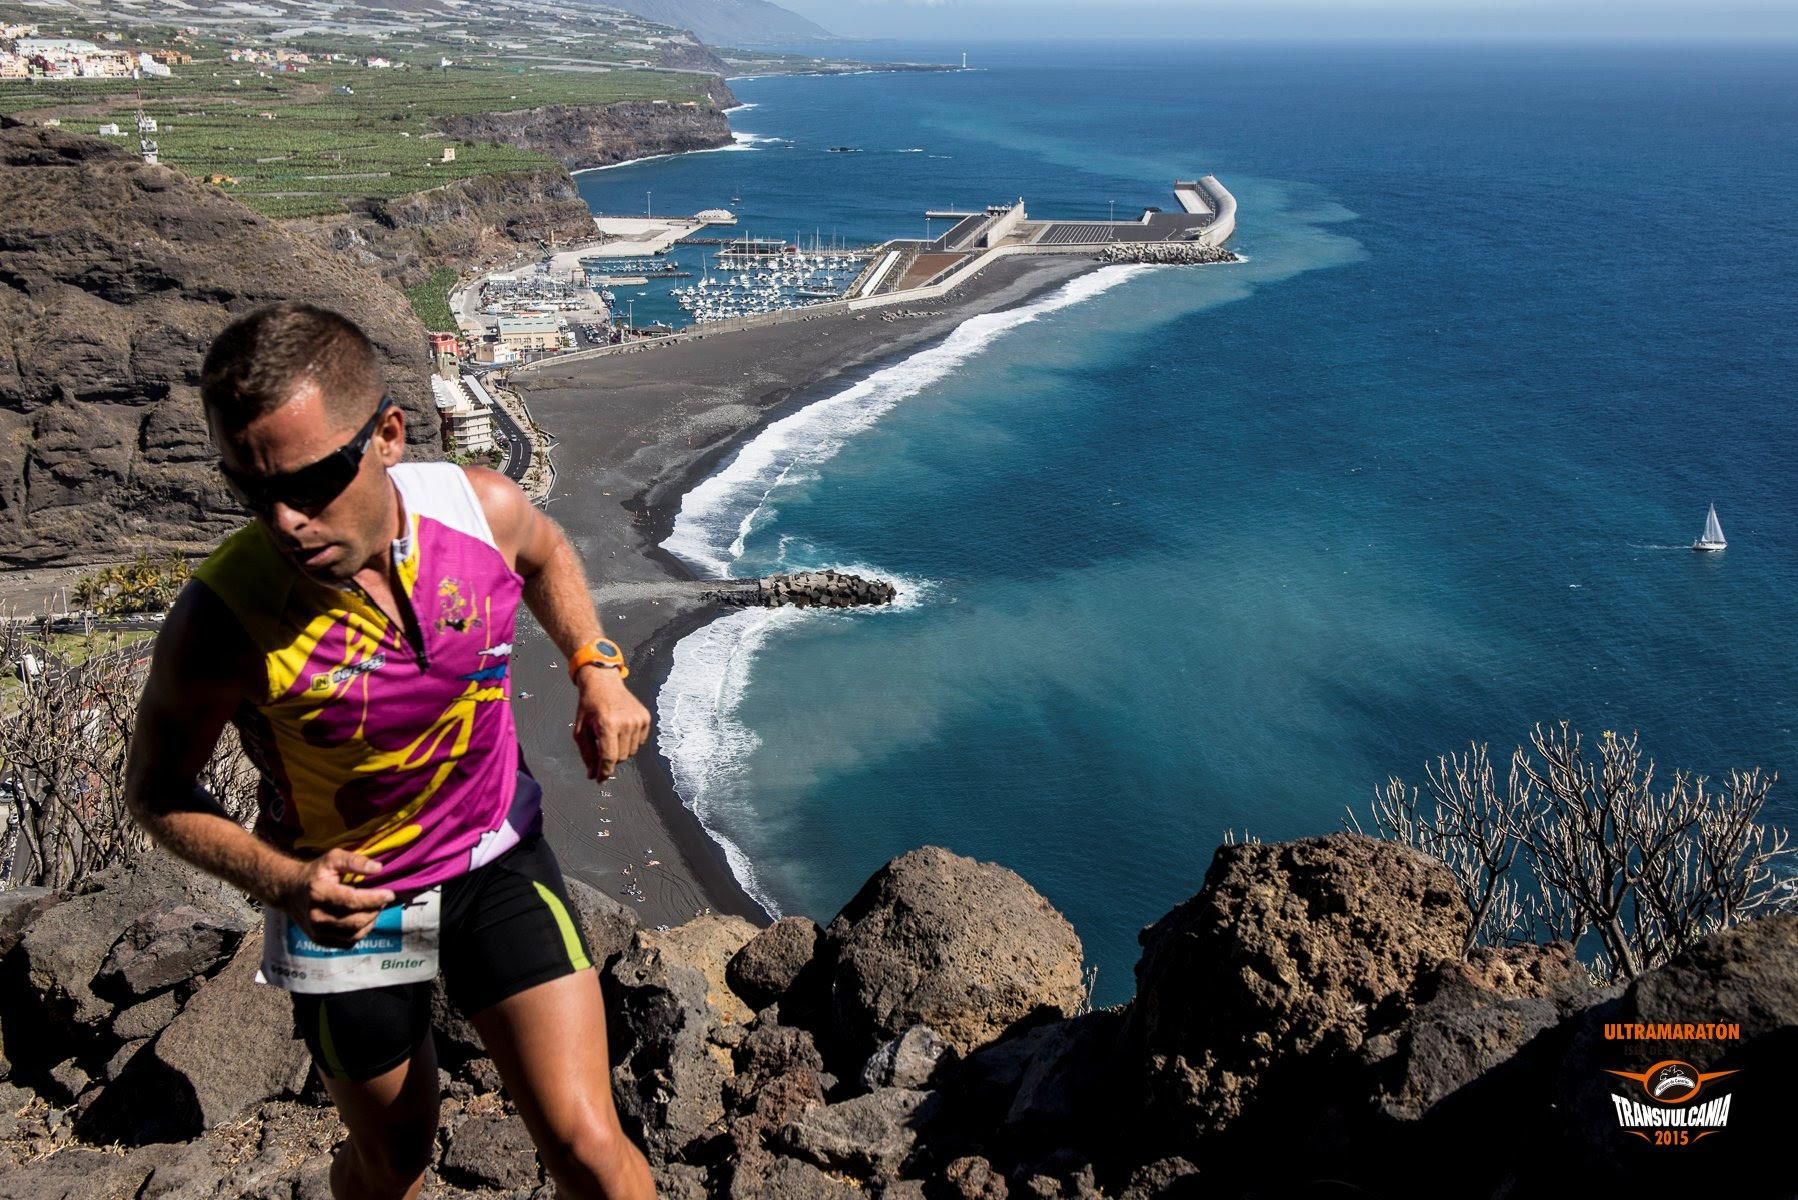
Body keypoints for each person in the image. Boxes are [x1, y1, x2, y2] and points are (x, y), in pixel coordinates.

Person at [123, 303, 657, 1200]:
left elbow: (547, 554)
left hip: (496, 855)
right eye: (253, 494)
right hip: (346, 904)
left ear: (388, 437)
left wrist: (596, 666)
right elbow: (156, 790)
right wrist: (283, 883)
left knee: (590, 1150)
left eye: (312, 481)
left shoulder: (477, 509)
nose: (286, 522)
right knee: (394, 1162)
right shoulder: (224, 617)